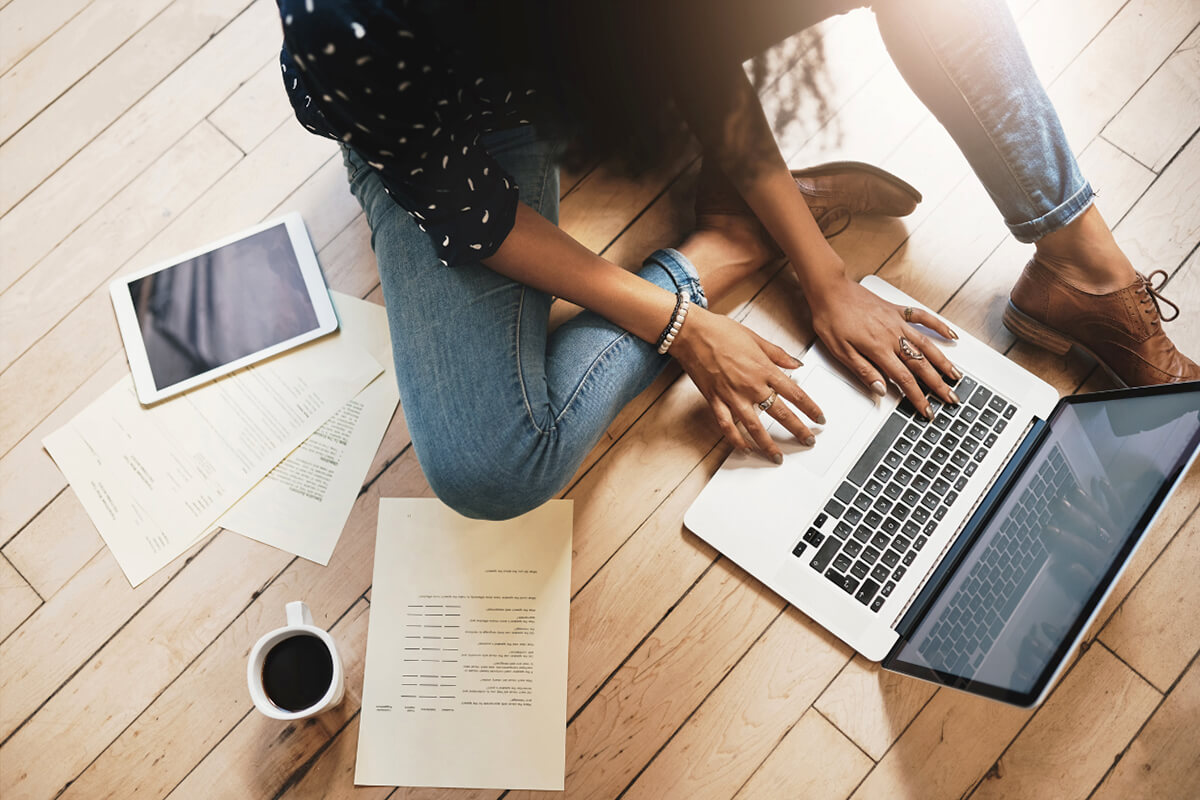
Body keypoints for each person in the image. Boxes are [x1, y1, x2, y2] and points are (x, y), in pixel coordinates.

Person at [275, 0, 1198, 520]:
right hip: (458, 127)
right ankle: (723, 241)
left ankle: (1082, 267)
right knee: (488, 468)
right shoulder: (351, 25)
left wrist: (826, 276)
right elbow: (471, 214)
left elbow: (679, 52)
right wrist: (684, 321)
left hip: (584, 46)